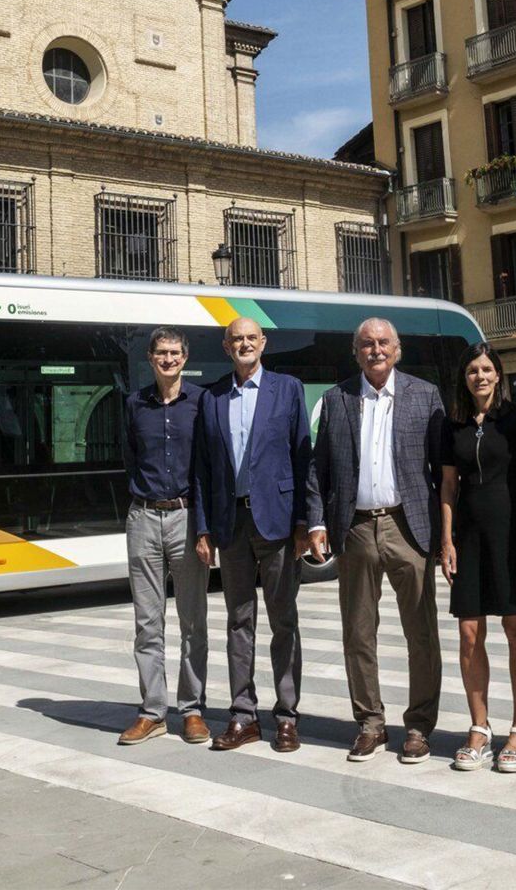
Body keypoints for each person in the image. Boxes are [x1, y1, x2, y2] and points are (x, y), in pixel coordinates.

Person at [304, 318, 446, 764]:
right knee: (358, 632)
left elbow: (442, 470)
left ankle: (419, 726)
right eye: (367, 344)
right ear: (356, 352)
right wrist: (316, 522)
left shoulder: (425, 396)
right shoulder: (337, 399)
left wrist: (447, 533)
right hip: (356, 528)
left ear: (397, 349)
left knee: (421, 633)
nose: (376, 350)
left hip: (409, 526)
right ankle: (370, 723)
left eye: (384, 342)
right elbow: (319, 468)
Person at [191, 316, 317, 754]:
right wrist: (203, 528)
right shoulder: (211, 397)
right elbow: (202, 470)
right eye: (236, 339)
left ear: (263, 343)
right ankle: (243, 715)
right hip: (231, 524)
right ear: (226, 347)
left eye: (251, 338)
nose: (244, 344)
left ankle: (287, 716)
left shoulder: (288, 389)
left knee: (284, 621)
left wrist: (304, 522)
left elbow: (303, 459)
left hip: (278, 522)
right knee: (238, 622)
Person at [438, 342, 516, 772]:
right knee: (468, 633)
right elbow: (448, 486)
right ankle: (479, 729)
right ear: (463, 379)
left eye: (486, 369)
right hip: (469, 536)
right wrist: (447, 541)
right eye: (472, 371)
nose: (479, 376)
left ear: (498, 374)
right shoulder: (452, 424)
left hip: (514, 534)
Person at [116, 327, 209, 747]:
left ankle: (192, 710)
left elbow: (209, 465)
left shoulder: (201, 403)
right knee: (147, 623)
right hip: (143, 517)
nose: (168, 359)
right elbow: (129, 458)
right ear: (151, 358)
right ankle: (153, 712)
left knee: (193, 621)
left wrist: (205, 527)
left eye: (175, 352)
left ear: (184, 358)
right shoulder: (135, 404)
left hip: (187, 519)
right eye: (161, 353)